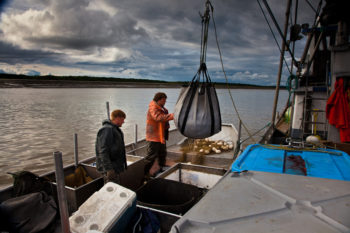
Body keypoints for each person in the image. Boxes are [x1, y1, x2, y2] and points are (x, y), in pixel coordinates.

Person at [144, 92, 174, 178]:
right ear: (159, 99)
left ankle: (162, 168)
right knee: (151, 156)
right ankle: (146, 174)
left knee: (162, 153)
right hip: (153, 136)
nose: (165, 102)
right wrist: (173, 116)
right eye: (164, 100)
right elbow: (158, 117)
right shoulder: (153, 107)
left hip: (161, 135)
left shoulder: (161, 107)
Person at [95, 109, 127, 184]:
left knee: (115, 187)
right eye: (122, 119)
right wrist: (109, 169)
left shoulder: (114, 129)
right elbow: (103, 151)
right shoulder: (107, 129)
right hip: (110, 168)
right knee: (111, 188)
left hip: (115, 166)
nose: (123, 122)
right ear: (117, 118)